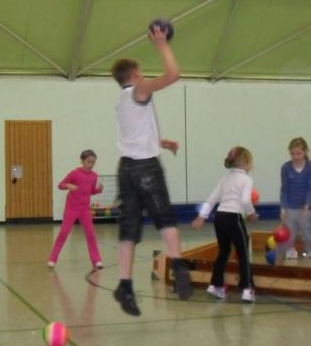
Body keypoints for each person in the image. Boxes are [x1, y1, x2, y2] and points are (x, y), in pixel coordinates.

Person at [110, 24, 193, 316]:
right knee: (165, 217)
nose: (143, 76)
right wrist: (161, 45)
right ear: (135, 75)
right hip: (146, 168)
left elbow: (135, 134)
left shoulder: (122, 102)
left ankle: (124, 285)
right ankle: (179, 265)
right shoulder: (139, 90)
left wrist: (161, 141)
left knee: (129, 228)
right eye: (142, 72)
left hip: (126, 168)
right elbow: (172, 75)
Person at [192, 146, 258, 303]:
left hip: (220, 218)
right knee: (243, 253)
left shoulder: (225, 178)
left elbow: (211, 199)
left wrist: (202, 216)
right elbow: (245, 200)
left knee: (224, 251)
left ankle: (215, 285)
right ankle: (247, 289)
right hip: (234, 218)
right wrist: (251, 213)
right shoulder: (247, 179)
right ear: (246, 162)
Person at [47, 149, 104, 270]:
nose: (91, 164)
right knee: (63, 233)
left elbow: (91, 191)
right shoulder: (74, 173)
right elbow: (60, 185)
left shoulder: (94, 176)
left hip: (85, 210)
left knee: (91, 234)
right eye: (88, 162)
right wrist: (67, 185)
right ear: (82, 161)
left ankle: (96, 260)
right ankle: (52, 259)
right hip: (71, 209)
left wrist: (98, 190)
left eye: (93, 162)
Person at [276, 137, 311, 268]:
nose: (295, 157)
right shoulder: (286, 168)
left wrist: (307, 205)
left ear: (305, 152)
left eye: (298, 153)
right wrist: (283, 209)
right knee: (285, 240)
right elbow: (284, 190)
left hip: (308, 209)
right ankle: (277, 269)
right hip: (291, 209)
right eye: (292, 154)